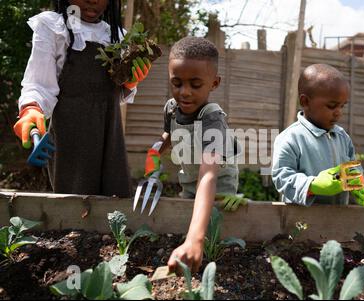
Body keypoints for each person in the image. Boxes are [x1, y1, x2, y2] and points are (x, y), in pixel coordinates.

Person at [13, 0, 152, 197]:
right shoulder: (53, 28)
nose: (93, 0)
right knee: (71, 208)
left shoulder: (117, 37)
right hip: (69, 139)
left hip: (110, 137)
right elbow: (39, 84)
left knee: (114, 206)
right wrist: (31, 109)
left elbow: (113, 96)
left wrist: (129, 83)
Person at [143, 36, 244, 273]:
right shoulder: (171, 108)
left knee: (214, 237)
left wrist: (195, 239)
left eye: (195, 85)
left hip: (217, 190)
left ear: (214, 83)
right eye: (176, 83)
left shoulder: (212, 118)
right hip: (188, 183)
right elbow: (167, 136)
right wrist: (154, 153)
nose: (184, 92)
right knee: (183, 221)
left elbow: (208, 175)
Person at [272, 64, 364, 207]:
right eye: (331, 106)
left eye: (342, 106)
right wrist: (312, 185)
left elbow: (354, 168)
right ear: (305, 102)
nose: (338, 112)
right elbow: (282, 177)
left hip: (338, 220)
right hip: (301, 222)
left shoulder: (342, 137)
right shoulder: (291, 138)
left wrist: (357, 181)